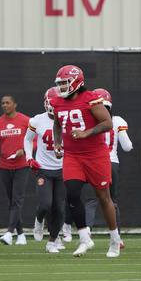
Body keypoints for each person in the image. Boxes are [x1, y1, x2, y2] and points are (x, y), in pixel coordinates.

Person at [51, 65, 121, 258]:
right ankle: (84, 238)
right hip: (73, 156)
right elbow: (57, 125)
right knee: (72, 194)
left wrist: (87, 133)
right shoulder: (57, 102)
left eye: (65, 83)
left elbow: (107, 123)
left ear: (77, 82)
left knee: (103, 198)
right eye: (60, 84)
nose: (62, 87)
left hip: (96, 155)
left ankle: (115, 239)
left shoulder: (91, 98)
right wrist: (58, 143)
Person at [83, 88, 132, 248]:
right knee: (112, 200)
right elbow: (126, 146)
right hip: (111, 162)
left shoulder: (87, 119)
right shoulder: (118, 120)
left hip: (94, 162)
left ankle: (87, 234)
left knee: (91, 200)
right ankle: (118, 238)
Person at [24, 87, 67, 253]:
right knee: (45, 205)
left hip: (63, 169)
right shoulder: (37, 121)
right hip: (44, 170)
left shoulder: (68, 119)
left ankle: (52, 241)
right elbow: (27, 139)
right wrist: (29, 157)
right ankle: (39, 220)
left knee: (60, 207)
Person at [0, 95, 32, 246]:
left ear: (15, 104)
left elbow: (35, 140)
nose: (4, 105)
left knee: (17, 199)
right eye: (2, 103)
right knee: (11, 201)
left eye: (8, 103)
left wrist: (24, 150)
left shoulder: (26, 121)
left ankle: (10, 232)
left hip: (22, 165)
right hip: (4, 167)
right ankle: (21, 234)